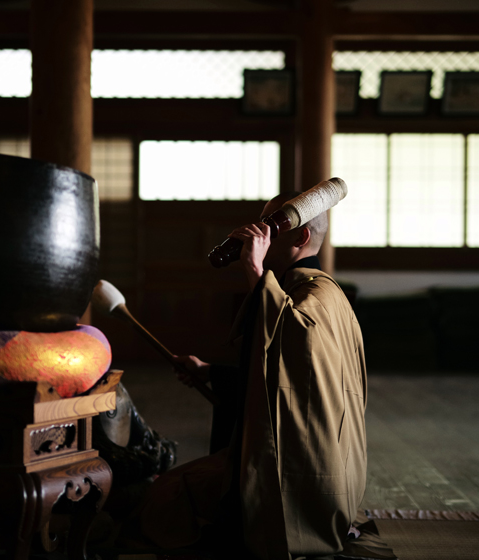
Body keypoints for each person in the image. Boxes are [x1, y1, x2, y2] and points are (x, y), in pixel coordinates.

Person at [123, 193, 394, 560]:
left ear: (299, 238)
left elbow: (296, 357)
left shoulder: (316, 296)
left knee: (166, 499)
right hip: (310, 462)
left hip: (306, 474)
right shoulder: (304, 293)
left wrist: (255, 271)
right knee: (169, 492)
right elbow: (289, 380)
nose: (258, 233)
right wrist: (211, 373)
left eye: (270, 225)